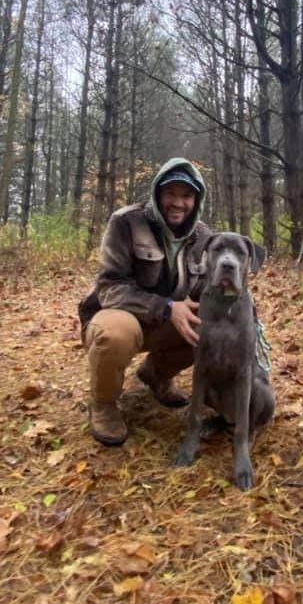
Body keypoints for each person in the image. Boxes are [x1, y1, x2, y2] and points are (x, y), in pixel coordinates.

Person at [78, 158, 212, 446]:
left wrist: (240, 312)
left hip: (162, 321)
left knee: (210, 327)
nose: (178, 203)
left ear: (196, 200)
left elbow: (207, 290)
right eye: (171, 194)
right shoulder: (126, 221)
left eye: (186, 195)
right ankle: (103, 404)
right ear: (157, 193)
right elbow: (109, 287)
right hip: (115, 314)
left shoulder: (202, 236)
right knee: (114, 334)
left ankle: (155, 376)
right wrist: (166, 307)